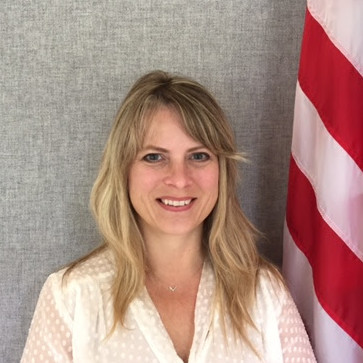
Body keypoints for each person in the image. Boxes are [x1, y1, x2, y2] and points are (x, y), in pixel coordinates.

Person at [21, 70, 316, 363]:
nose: (179, 179)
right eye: (154, 157)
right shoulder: (72, 297)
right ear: (124, 171)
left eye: (198, 156)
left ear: (221, 172)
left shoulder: (264, 293)